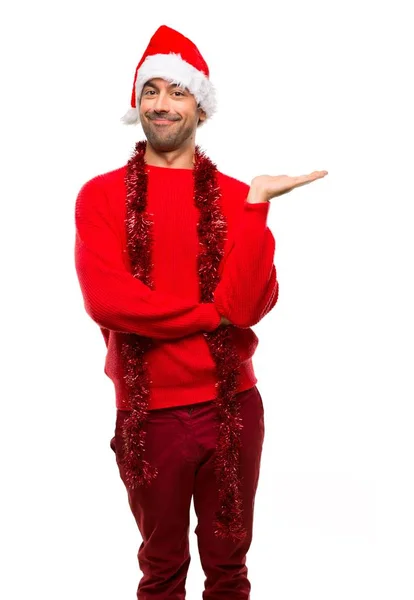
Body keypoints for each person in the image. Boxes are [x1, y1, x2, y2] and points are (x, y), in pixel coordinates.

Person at [74, 24, 327, 600]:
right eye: (151, 91)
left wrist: (258, 205)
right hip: (150, 415)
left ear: (201, 108)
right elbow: (109, 302)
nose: (162, 105)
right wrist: (208, 317)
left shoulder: (240, 198)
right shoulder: (101, 196)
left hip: (232, 406)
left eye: (177, 92)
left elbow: (247, 307)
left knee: (229, 568)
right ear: (137, 103)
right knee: (161, 570)